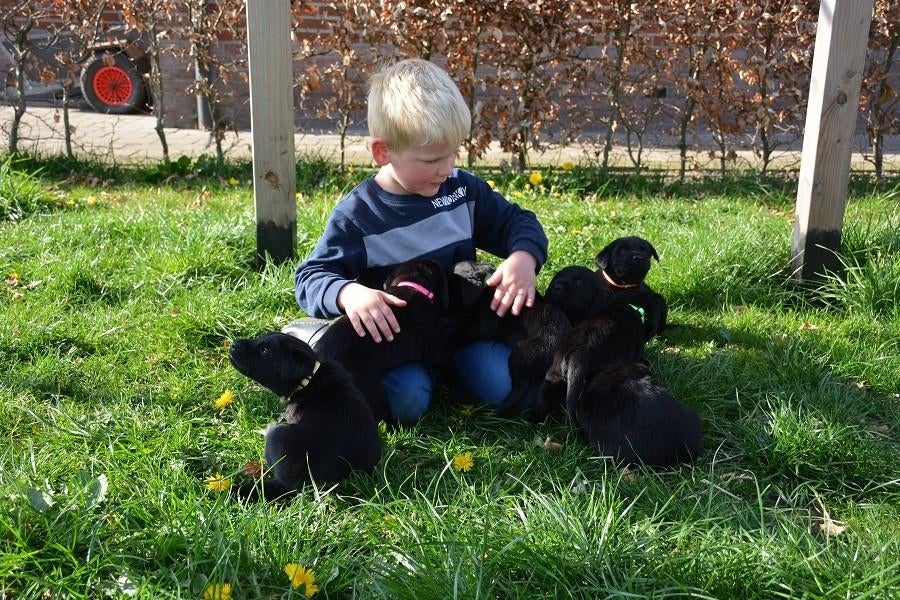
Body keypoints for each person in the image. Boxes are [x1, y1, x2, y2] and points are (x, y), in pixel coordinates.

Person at [292, 58, 548, 423]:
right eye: (432, 159)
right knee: (406, 401)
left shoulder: (461, 189)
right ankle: (311, 337)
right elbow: (311, 276)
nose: (447, 168)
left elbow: (516, 222)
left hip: (460, 334)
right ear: (383, 152)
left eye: (453, 154)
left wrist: (524, 256)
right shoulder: (359, 215)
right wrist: (348, 294)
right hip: (399, 344)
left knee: (516, 390)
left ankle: (452, 374)